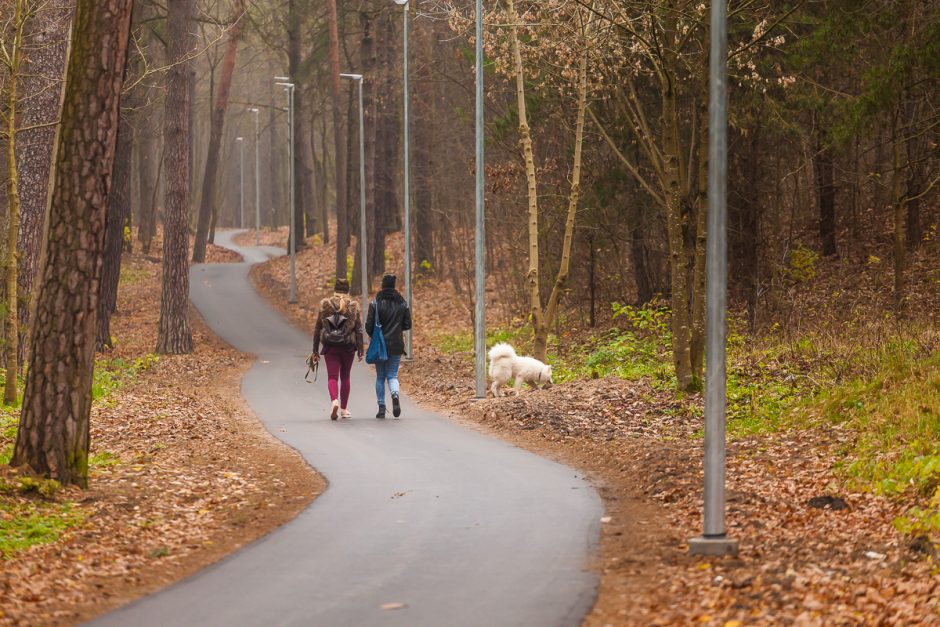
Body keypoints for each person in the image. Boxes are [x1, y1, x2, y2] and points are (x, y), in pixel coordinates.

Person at [312, 278, 364, 420]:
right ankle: (344, 409)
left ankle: (334, 400)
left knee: (332, 377)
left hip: (330, 347)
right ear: (347, 289)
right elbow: (358, 329)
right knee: (345, 377)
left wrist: (315, 351)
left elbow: (317, 329)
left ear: (335, 289)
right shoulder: (353, 305)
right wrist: (360, 349)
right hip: (348, 347)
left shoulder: (325, 305)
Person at [366, 274, 412, 419]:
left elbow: (369, 325)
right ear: (394, 285)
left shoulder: (375, 303)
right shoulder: (402, 303)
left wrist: (374, 335)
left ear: (383, 285)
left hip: (380, 346)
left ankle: (381, 407)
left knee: (380, 376)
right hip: (396, 345)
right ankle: (395, 395)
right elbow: (407, 324)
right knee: (392, 375)